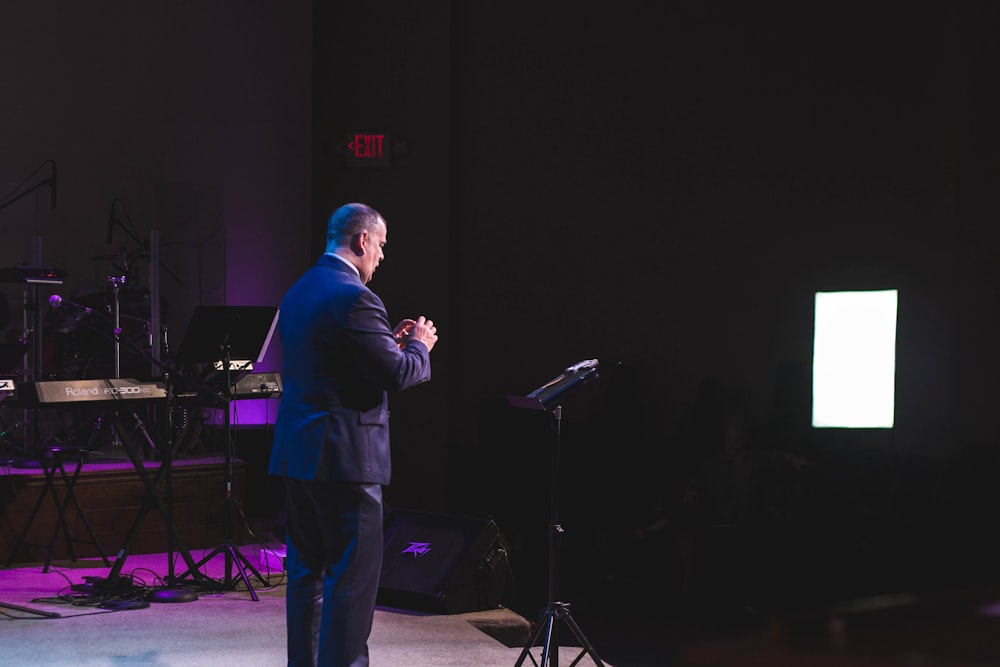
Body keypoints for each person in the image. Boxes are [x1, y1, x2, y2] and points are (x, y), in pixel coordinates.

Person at [269, 202, 438, 666]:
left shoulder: (300, 290)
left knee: (307, 575)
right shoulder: (356, 296)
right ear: (362, 240)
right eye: (381, 245)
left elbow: (337, 364)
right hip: (347, 462)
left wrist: (389, 343)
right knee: (351, 581)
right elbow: (397, 375)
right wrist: (419, 347)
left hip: (300, 456)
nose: (381, 256)